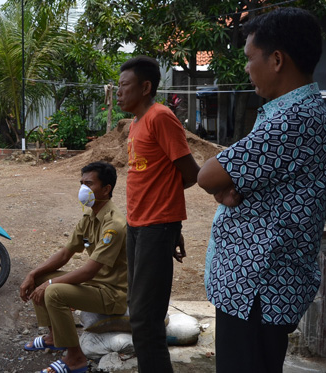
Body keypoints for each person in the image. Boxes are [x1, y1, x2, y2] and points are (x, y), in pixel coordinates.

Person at [197, 8, 326, 373]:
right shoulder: (288, 113)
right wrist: (224, 188)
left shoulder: (294, 119)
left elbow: (208, 175)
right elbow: (227, 179)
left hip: (258, 290)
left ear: (276, 60)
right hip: (256, 288)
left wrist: (221, 186)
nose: (246, 68)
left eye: (248, 58)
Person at [116, 56, 199, 372]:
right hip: (138, 226)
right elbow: (157, 178)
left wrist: (168, 222)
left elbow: (190, 173)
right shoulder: (136, 123)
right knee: (138, 311)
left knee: (145, 318)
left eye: (125, 85)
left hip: (154, 227)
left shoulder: (160, 117)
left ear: (145, 86)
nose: (119, 92)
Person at [19, 161, 128, 373]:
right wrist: (34, 274)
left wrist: (50, 283)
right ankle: (53, 337)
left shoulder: (114, 224)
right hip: (94, 284)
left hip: (111, 293)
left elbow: (89, 270)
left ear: (106, 189)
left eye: (89, 184)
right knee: (40, 279)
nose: (83, 189)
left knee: (53, 291)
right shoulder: (89, 216)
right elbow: (65, 253)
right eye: (82, 183)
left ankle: (75, 358)